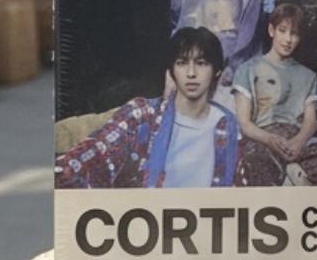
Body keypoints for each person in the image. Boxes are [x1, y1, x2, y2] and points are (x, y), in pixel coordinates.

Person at [55, 27, 244, 189]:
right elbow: (73, 166)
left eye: (201, 63)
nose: (191, 73)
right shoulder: (142, 115)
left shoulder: (229, 127)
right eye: (182, 63)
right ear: (171, 71)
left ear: (217, 71)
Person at [232, 4, 317, 187]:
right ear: (271, 31)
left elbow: (310, 122)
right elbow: (245, 123)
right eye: (282, 31)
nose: (288, 39)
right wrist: (270, 139)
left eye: (294, 34)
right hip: (262, 137)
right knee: (258, 166)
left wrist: (297, 142)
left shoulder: (307, 76)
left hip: (298, 137)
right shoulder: (247, 69)